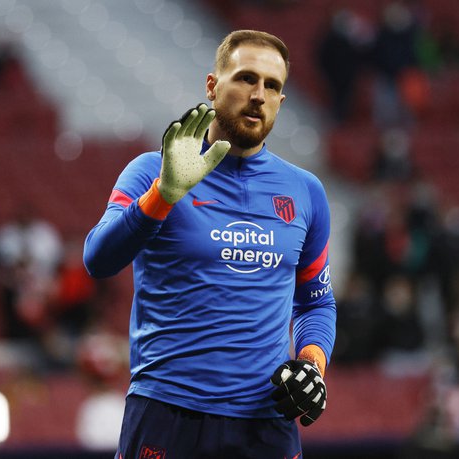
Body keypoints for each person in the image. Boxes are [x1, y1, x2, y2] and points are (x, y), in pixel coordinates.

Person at [83, 29, 336, 458]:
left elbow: (315, 302)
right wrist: (164, 194)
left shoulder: (306, 192)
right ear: (213, 85)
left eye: (272, 86)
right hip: (167, 410)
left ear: (281, 101)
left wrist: (311, 364)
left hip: (266, 419)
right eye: (245, 78)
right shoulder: (152, 169)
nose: (258, 95)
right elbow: (98, 259)